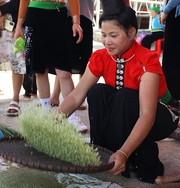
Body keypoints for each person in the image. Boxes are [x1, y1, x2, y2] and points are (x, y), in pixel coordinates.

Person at [58, 0, 178, 183]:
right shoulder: (101, 56)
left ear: (131, 33)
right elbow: (76, 95)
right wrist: (52, 121)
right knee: (97, 92)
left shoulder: (147, 60)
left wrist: (124, 152)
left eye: (113, 35)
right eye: (104, 35)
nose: (107, 42)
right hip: (126, 111)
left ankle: (136, 160)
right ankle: (102, 154)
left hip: (159, 116)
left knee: (126, 97)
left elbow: (147, 115)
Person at [14, 0, 83, 129]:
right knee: (40, 70)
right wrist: (18, 26)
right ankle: (46, 113)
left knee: (64, 72)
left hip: (58, 16)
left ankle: (72, 116)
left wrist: (76, 21)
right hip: (35, 15)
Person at [50, 0, 94, 111]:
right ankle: (55, 95)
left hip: (83, 14)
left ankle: (80, 96)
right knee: (62, 58)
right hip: (62, 12)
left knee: (83, 60)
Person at [159, 0, 180, 108]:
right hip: (174, 13)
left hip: (176, 16)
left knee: (172, 59)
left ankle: (172, 99)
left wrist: (165, 11)